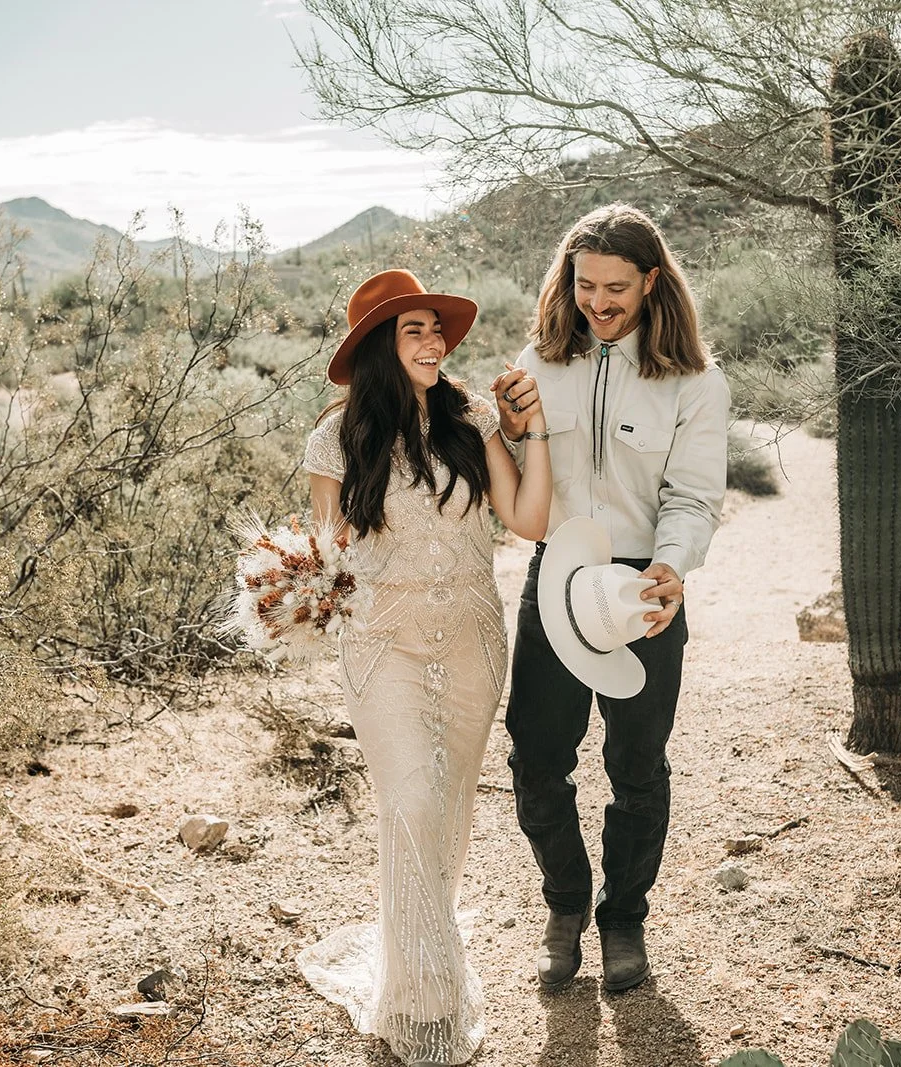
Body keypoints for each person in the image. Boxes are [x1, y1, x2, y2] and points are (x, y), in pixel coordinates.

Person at [298, 268, 552, 1066]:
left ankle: (419, 969)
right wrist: (289, 589)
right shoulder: (334, 438)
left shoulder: (472, 419)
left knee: (445, 814)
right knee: (408, 800)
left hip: (473, 642)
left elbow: (529, 518)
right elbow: (327, 558)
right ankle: (425, 1006)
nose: (435, 340)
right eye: (415, 328)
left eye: (437, 328)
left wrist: (531, 432)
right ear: (380, 345)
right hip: (383, 646)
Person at [491, 203, 731, 993]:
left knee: (637, 765)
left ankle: (623, 916)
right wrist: (515, 431)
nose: (598, 301)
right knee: (535, 757)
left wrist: (671, 567)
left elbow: (693, 497)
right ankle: (564, 903)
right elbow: (525, 472)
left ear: (652, 281)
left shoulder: (695, 381)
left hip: (641, 588)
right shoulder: (540, 359)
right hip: (557, 574)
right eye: (585, 284)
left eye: (616, 288)